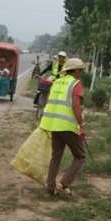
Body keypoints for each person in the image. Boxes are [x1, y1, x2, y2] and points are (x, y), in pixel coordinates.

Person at [40, 58, 87, 196]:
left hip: (54, 124)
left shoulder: (57, 82)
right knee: (80, 156)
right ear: (76, 71)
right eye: (81, 70)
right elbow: (76, 106)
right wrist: (81, 125)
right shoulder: (76, 83)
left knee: (56, 156)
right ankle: (64, 184)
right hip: (68, 125)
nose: (82, 73)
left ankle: (50, 187)